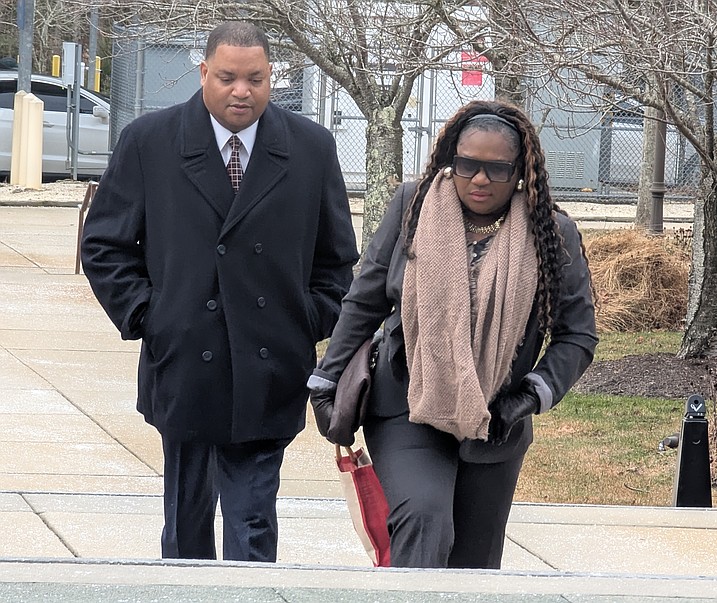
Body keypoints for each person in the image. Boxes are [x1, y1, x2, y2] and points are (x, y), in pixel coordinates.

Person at [81, 21, 359, 562]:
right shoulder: (150, 141)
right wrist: (151, 316)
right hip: (185, 361)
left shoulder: (310, 148)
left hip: (270, 365)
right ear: (203, 72)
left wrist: (305, 320)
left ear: (272, 76)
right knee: (186, 524)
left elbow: (335, 260)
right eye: (228, 77)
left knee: (252, 522)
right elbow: (105, 245)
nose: (241, 91)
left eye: (255, 79)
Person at [307, 99, 597, 569]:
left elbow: (577, 335)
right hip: (406, 404)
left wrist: (528, 397)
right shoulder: (413, 206)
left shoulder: (551, 232)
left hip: (495, 419)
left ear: (519, 172)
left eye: (496, 169)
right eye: (467, 165)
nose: (479, 179)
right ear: (450, 160)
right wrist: (326, 381)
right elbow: (364, 302)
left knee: (474, 564)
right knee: (424, 518)